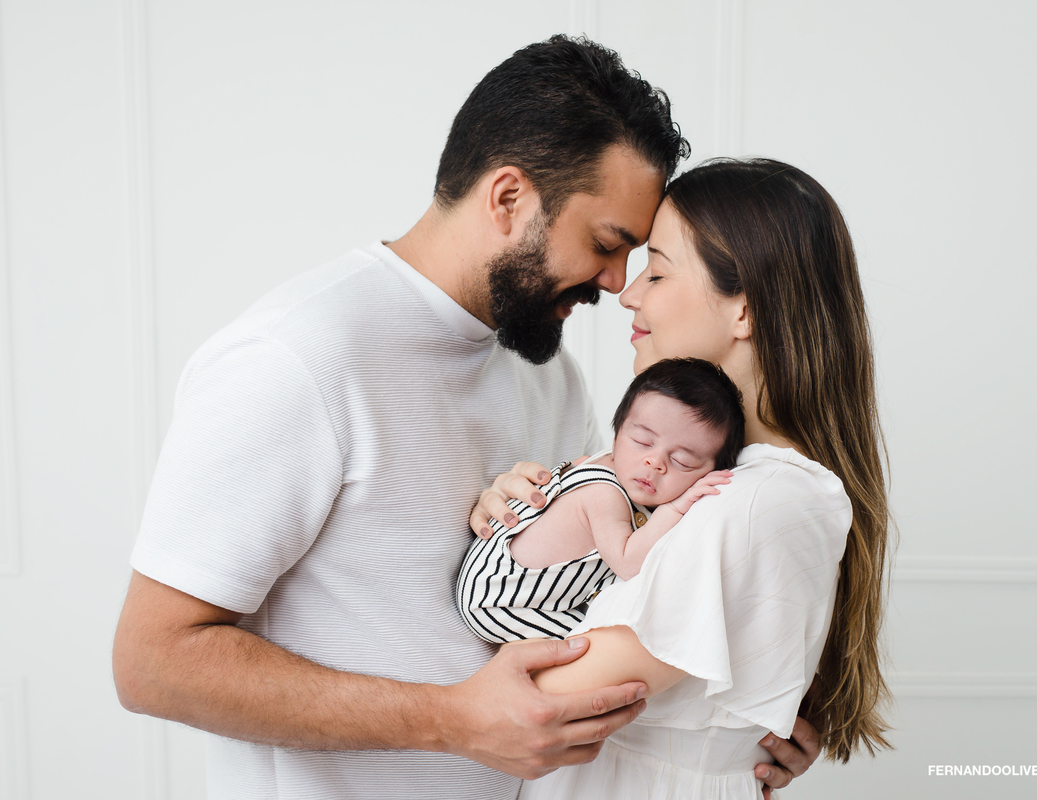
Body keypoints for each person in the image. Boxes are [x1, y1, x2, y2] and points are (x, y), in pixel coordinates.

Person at [111, 36, 816, 800]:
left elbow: (603, 597)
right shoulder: (296, 359)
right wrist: (448, 721)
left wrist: (725, 730)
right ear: (508, 198)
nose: (618, 284)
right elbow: (151, 662)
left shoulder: (552, 378)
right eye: (605, 244)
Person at [471, 158, 893, 799]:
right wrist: (526, 530)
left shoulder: (745, 502)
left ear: (745, 311)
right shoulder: (718, 484)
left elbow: (528, 703)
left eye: (659, 270)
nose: (628, 293)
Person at [458, 357, 743, 643]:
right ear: (617, 435)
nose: (655, 462)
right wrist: (674, 508)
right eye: (643, 441)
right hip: (498, 600)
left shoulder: (605, 464)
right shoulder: (604, 494)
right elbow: (627, 563)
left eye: (682, 461)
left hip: (496, 583)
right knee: (601, 638)